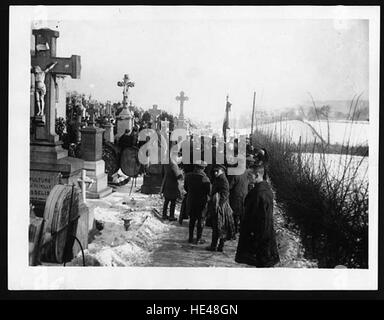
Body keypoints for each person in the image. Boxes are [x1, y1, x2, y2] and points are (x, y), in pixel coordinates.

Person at [235, 164, 280, 267]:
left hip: (260, 240)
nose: (247, 177)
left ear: (257, 175)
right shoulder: (262, 190)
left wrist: (256, 240)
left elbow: (263, 220)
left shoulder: (259, 194)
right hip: (261, 239)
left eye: (249, 175)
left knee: (262, 267)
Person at [206, 164, 236, 252]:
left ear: (222, 171)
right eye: (215, 171)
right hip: (220, 206)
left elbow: (225, 194)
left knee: (218, 226)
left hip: (221, 207)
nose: (215, 172)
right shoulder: (219, 178)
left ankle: (215, 246)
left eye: (217, 171)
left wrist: (219, 205)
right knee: (220, 226)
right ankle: (218, 246)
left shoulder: (223, 180)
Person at [184, 161, 211, 244]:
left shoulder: (188, 176)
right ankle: (199, 238)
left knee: (192, 220)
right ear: (202, 168)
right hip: (201, 202)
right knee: (200, 220)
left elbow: (186, 188)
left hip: (191, 201)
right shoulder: (205, 178)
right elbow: (209, 191)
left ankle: (190, 238)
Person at [228, 157, 250, 233]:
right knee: (242, 215)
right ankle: (242, 230)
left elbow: (230, 186)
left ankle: (234, 231)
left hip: (235, 196)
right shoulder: (248, 172)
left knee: (234, 215)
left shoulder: (234, 173)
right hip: (245, 196)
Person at [160, 151, 183, 221]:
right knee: (173, 202)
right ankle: (171, 216)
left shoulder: (166, 163)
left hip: (166, 184)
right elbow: (179, 176)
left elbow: (162, 173)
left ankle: (164, 215)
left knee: (166, 201)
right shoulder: (174, 165)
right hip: (173, 185)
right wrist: (181, 173)